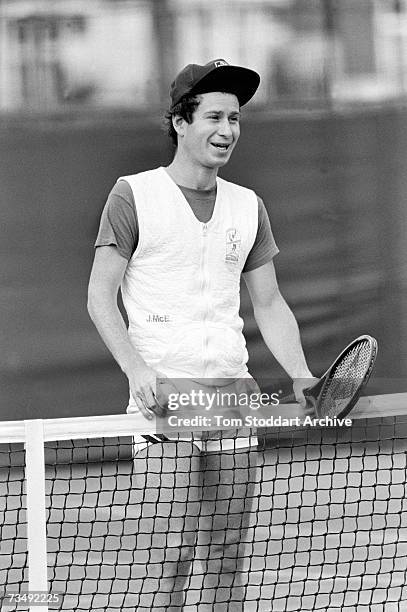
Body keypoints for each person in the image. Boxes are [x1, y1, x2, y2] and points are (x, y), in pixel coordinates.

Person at [87, 59, 315, 611]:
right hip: (166, 398)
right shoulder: (132, 195)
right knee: (172, 558)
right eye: (214, 116)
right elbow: (100, 297)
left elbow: (269, 302)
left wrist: (301, 374)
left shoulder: (248, 205)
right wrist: (137, 370)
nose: (228, 130)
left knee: (227, 557)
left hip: (233, 397)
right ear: (180, 122)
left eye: (235, 118)